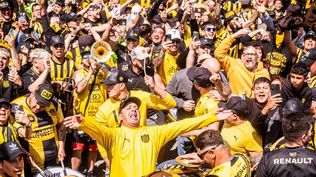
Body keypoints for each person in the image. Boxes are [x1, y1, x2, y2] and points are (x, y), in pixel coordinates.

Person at [64, 96, 232, 177]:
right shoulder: (113, 134)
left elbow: (181, 125)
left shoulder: (154, 132)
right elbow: (98, 129)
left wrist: (212, 117)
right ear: (120, 116)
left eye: (136, 108)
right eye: (128, 108)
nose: (133, 110)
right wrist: (83, 122)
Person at [11, 83, 65, 176]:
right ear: (32, 94)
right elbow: (14, 135)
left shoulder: (54, 105)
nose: (39, 107)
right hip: (31, 162)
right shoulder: (16, 107)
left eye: (43, 105)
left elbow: (61, 125)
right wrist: (24, 153)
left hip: (53, 158)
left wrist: (61, 146)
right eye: (37, 103)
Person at [256, 112, 316, 177]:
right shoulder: (314, 158)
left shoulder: (268, 159)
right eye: (311, 131)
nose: (311, 134)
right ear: (303, 137)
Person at [214, 28, 270, 97]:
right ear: (242, 57)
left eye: (252, 55)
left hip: (255, 106)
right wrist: (234, 36)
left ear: (257, 58)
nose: (249, 57)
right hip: (236, 105)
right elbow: (218, 53)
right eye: (246, 54)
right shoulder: (233, 65)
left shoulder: (263, 72)